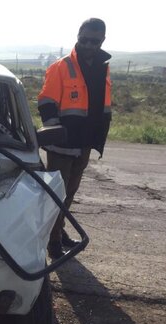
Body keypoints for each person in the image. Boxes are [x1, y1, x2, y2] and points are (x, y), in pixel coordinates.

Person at [38, 18, 112, 259]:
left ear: (102, 40)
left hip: (85, 141)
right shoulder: (62, 66)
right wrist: (56, 132)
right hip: (62, 143)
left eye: (95, 41)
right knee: (57, 194)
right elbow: (46, 102)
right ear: (78, 35)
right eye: (85, 40)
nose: (89, 45)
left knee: (70, 192)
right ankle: (52, 241)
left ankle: (58, 231)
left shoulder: (103, 67)